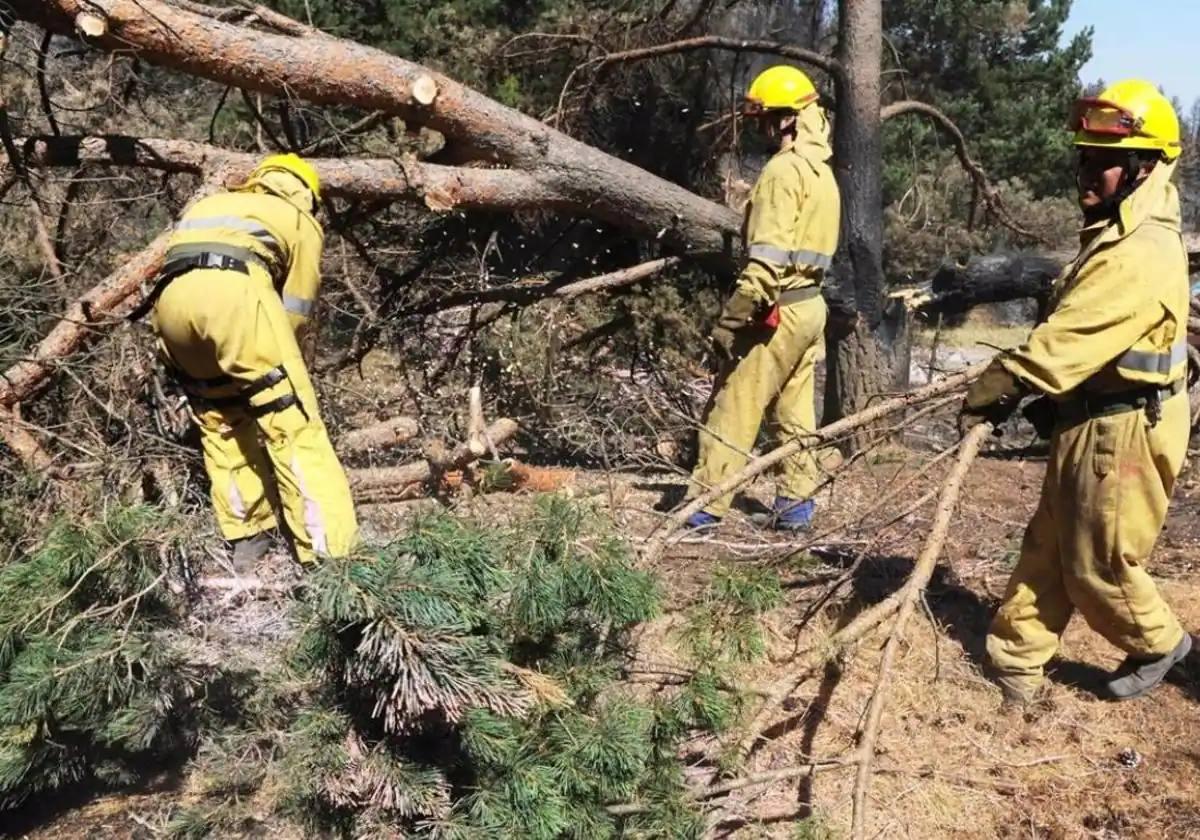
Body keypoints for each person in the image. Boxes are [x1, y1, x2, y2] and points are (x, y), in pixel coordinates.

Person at [960, 80, 1192, 703]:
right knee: (1050, 544)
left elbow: (1072, 335)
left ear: (1146, 168)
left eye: (1103, 161)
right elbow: (1099, 343)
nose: (1086, 175)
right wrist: (1060, 401)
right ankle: (1015, 661)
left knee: (1100, 566)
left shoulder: (1139, 250)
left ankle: (1164, 643)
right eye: (1083, 158)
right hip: (1096, 414)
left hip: (1125, 428)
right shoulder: (1118, 230)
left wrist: (1005, 383)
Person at [141, 153, 359, 568]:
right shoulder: (298, 218)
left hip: (170, 309)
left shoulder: (212, 204)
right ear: (307, 193)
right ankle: (331, 556)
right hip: (233, 295)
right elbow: (295, 308)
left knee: (220, 419)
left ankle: (248, 538)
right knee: (292, 423)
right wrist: (281, 368)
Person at [684, 65, 841, 532]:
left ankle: (705, 505)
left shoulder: (782, 171)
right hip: (812, 306)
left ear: (788, 118)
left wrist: (731, 322)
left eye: (765, 118)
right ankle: (796, 504)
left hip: (779, 307)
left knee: (736, 403)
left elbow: (766, 262)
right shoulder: (823, 174)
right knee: (794, 410)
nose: (761, 128)